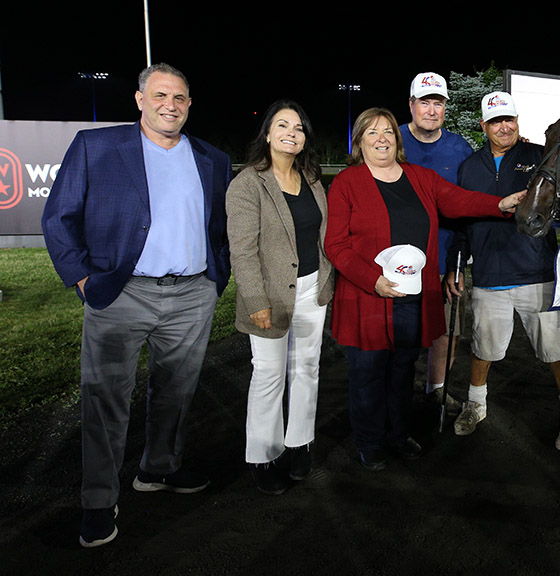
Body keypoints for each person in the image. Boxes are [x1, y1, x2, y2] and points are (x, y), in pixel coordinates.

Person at [40, 63, 232, 547]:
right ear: (139, 99)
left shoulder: (212, 158)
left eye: (181, 97)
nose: (171, 105)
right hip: (120, 293)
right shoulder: (96, 146)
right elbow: (59, 217)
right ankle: (99, 500)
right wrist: (82, 279)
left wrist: (215, 279)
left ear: (190, 105)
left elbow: (221, 229)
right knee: (105, 400)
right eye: (161, 95)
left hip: (191, 294)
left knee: (177, 391)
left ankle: (159, 469)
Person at [324, 108, 524, 471]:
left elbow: (460, 201)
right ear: (359, 142)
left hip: (413, 296)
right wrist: (373, 280)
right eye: (372, 132)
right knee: (368, 372)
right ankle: (370, 440)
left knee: (402, 369)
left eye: (387, 131)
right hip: (368, 296)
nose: (382, 137)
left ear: (397, 140)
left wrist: (499, 204)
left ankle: (398, 434)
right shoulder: (347, 183)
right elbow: (335, 246)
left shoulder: (420, 177)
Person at [449, 91, 560, 452]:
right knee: (483, 348)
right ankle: (476, 404)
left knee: (556, 348)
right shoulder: (470, 166)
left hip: (536, 271)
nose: (504, 126)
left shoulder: (539, 155)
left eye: (509, 119)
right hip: (489, 275)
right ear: (484, 126)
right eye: (495, 121)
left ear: (517, 121)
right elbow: (462, 220)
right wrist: (456, 266)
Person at [226, 100, 334, 495]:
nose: (291, 132)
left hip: (311, 290)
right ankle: (262, 454)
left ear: (305, 138)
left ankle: (299, 442)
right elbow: (242, 250)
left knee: (307, 369)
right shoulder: (248, 184)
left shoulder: (311, 178)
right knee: (269, 375)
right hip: (269, 295)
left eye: (299, 127)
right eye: (282, 125)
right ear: (268, 134)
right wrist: (255, 299)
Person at [399, 72, 473, 413]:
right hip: (396, 259)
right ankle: (394, 395)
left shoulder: (459, 148)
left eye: (438, 103)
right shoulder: (392, 140)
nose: (431, 110)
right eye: (424, 102)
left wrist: (456, 265)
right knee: (398, 336)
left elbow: (466, 209)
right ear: (412, 104)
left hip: (445, 258)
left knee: (446, 332)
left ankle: (435, 391)